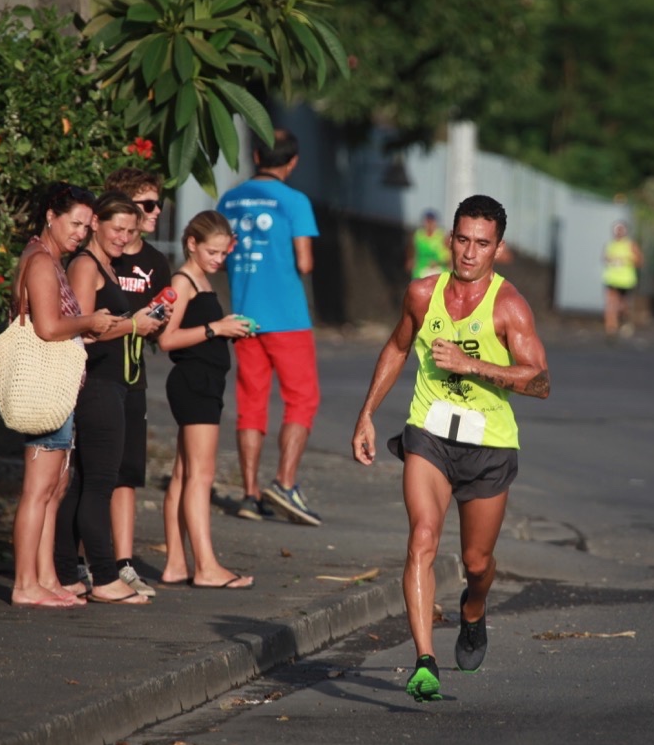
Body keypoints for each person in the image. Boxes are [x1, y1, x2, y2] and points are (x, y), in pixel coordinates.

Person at [351, 195, 551, 702]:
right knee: (422, 538)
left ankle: (474, 609)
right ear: (451, 240)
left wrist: (475, 366)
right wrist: (367, 415)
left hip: (489, 447)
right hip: (430, 435)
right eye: (462, 240)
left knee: (477, 562)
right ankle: (424, 662)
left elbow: (540, 381)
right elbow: (398, 347)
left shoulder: (510, 307)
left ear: (498, 248)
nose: (469, 253)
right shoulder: (423, 293)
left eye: (482, 244)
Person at [7, 183, 118, 608]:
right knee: (39, 488)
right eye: (75, 224)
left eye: (86, 226)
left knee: (55, 486)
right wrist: (90, 321)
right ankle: (24, 584)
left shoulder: (52, 259)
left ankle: (46, 577)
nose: (81, 233)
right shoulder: (39, 260)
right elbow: (48, 327)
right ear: (50, 216)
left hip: (61, 384)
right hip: (44, 384)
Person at [55, 192, 164, 605]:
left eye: (131, 232)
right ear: (96, 224)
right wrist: (133, 326)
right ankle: (103, 576)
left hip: (112, 383)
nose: (123, 238)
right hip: (97, 384)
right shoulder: (86, 264)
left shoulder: (107, 266)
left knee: (83, 483)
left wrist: (138, 323)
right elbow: (81, 328)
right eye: (117, 228)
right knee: (99, 484)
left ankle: (68, 572)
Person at [218, 129, 323, 526]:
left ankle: (248, 494)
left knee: (251, 402)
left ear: (257, 155)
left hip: (244, 315)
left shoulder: (229, 199)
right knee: (301, 399)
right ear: (292, 162)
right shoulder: (294, 201)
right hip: (287, 317)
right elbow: (306, 263)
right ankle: (284, 483)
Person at [157, 212, 255, 589]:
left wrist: (225, 328)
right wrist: (217, 328)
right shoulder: (183, 281)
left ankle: (176, 564)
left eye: (223, 253)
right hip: (194, 383)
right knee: (202, 475)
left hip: (203, 381)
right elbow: (167, 339)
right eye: (211, 251)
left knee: (184, 475)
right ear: (191, 243)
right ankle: (207, 567)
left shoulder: (200, 279)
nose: (218, 259)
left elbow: (197, 331)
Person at [104, 168, 172, 598]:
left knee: (128, 473)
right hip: (96, 371)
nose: (156, 211)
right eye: (147, 204)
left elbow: (161, 333)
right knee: (93, 471)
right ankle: (84, 560)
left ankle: (124, 562)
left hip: (133, 375)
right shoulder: (100, 258)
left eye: (157, 203)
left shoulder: (155, 261)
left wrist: (159, 320)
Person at [601, 220, 642, 340]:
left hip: (626, 280)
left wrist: (627, 260)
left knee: (622, 306)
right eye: (616, 230)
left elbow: (640, 261)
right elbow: (605, 258)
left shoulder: (630, 245)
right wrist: (610, 260)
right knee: (610, 304)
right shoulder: (610, 245)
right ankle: (611, 329)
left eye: (621, 230)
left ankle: (623, 318)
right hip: (611, 279)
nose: (618, 232)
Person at [407, 209, 450, 280]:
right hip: (421, 268)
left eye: (431, 221)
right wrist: (410, 260)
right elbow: (411, 248)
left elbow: (448, 255)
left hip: (438, 269)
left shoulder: (441, 235)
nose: (429, 224)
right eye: (427, 221)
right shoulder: (419, 235)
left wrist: (438, 262)